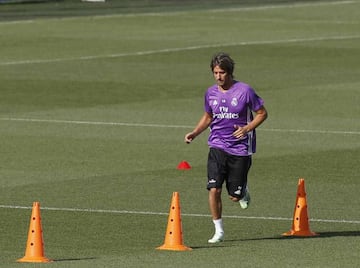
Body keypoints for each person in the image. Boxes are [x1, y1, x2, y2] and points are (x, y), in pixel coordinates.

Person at [184, 52, 268, 243]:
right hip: (217, 145)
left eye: (222, 72)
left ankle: (242, 189)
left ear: (229, 73)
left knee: (234, 197)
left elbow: (262, 113)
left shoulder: (245, 91)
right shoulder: (210, 93)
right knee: (214, 189)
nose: (218, 77)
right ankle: (218, 230)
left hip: (240, 149)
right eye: (215, 72)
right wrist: (195, 133)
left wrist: (247, 128)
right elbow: (208, 116)